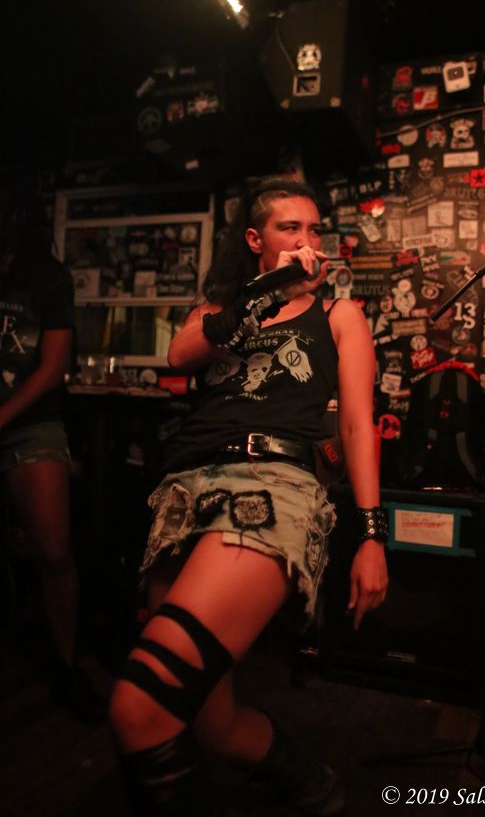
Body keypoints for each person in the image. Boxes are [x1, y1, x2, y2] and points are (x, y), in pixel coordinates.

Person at [109, 177, 389, 815]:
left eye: (314, 229)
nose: (307, 240)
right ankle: (304, 776)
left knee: (140, 707)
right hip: (183, 494)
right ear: (257, 240)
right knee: (208, 726)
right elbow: (179, 354)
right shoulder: (216, 313)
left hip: (271, 488)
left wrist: (373, 535)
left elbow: (356, 426)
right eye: (291, 228)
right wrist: (268, 294)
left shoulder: (339, 315)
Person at [0, 191, 104, 721]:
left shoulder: (44, 276)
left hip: (30, 424)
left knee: (54, 552)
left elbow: (52, 368)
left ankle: (66, 668)